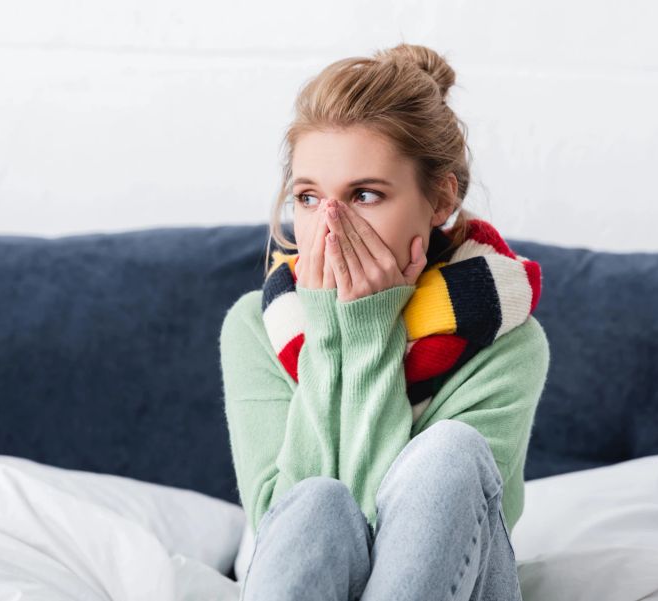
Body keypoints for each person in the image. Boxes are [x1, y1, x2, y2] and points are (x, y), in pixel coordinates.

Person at [219, 42, 550, 601]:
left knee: (449, 454)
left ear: (441, 199)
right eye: (307, 197)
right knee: (316, 503)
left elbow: (400, 540)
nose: (329, 228)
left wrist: (371, 330)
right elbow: (295, 526)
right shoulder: (257, 327)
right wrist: (330, 328)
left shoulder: (506, 340)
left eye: (365, 194)